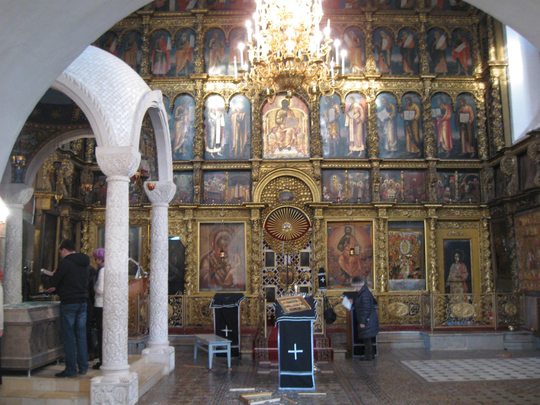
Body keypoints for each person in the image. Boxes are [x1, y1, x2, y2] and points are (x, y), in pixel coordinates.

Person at [46, 240, 91, 377]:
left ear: (64, 249)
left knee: (69, 336)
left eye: (60, 251)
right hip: (83, 302)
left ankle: (71, 369)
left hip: (69, 302)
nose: (60, 254)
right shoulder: (85, 262)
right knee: (81, 335)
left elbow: (54, 282)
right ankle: (83, 366)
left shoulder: (65, 263)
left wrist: (54, 277)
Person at [351, 277, 379, 361]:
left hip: (368, 321)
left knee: (367, 339)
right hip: (368, 320)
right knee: (367, 338)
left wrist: (363, 322)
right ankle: (370, 355)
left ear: (358, 285)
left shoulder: (364, 294)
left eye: (354, 286)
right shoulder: (363, 292)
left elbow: (366, 309)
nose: (354, 288)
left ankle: (368, 356)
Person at [92, 248, 105, 370]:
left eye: (96, 258)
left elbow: (100, 289)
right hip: (105, 305)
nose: (95, 261)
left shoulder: (102, 271)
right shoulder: (107, 269)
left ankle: (102, 360)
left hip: (100, 304)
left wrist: (93, 288)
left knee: (101, 333)